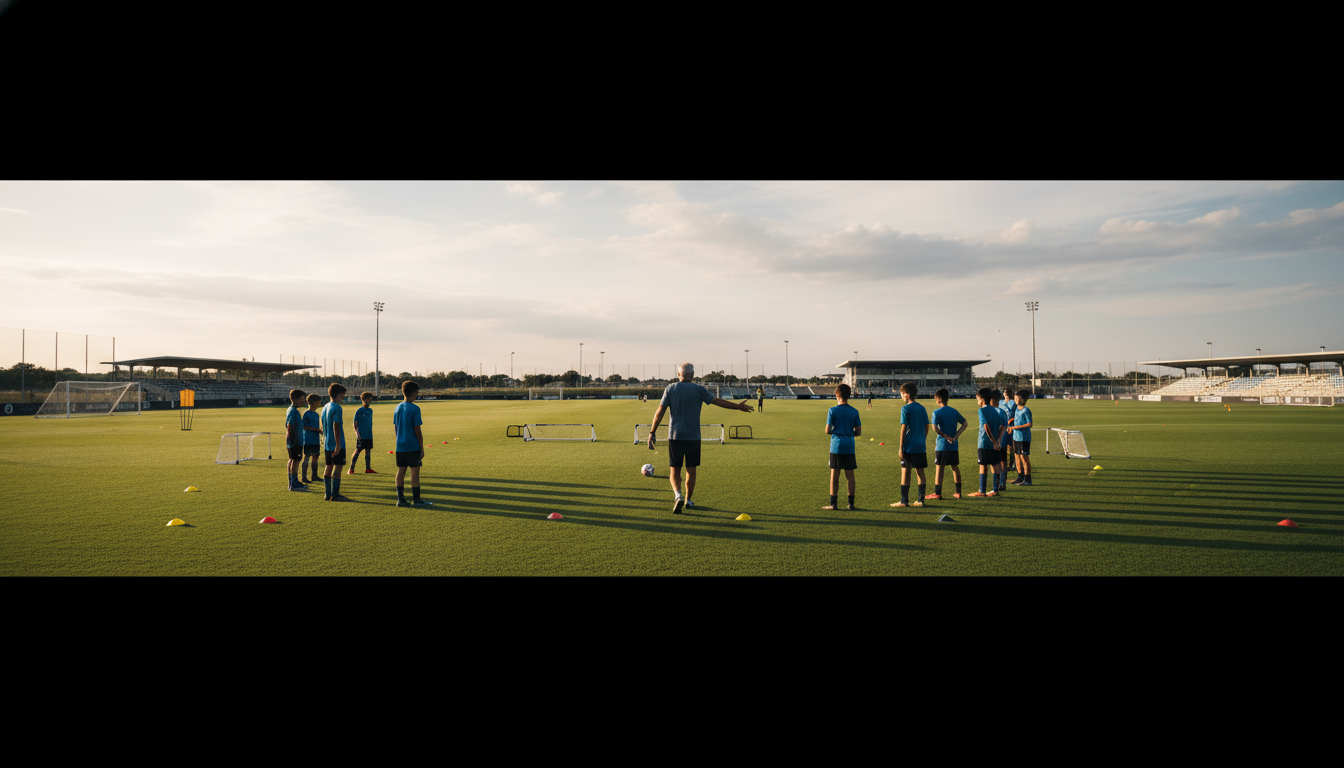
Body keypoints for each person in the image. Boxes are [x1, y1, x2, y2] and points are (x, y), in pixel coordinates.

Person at [648, 362, 753, 514]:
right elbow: (717, 401)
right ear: (693, 375)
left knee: (674, 470)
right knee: (691, 470)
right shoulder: (699, 390)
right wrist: (737, 406)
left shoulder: (670, 388)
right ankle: (688, 500)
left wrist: (652, 432)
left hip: (675, 437)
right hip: (693, 437)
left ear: (679, 374)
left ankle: (678, 495)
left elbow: (660, 411)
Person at [891, 382, 930, 508]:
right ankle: (920, 500)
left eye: (901, 394)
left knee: (905, 472)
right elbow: (926, 426)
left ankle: (904, 501)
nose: (901, 397)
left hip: (909, 446)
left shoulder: (905, 409)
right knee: (920, 472)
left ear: (906, 395)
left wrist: (901, 448)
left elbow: (903, 429)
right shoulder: (922, 408)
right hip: (920, 445)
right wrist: (922, 438)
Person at [393, 380, 430, 508]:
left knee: (401, 472)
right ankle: (417, 500)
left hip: (400, 446)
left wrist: (399, 440)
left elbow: (396, 428)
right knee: (415, 474)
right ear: (414, 393)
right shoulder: (415, 408)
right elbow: (417, 430)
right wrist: (421, 447)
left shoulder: (397, 407)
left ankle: (400, 499)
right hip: (412, 446)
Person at [824, 383, 861, 510]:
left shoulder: (832, 410)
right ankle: (851, 504)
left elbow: (827, 430)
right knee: (850, 476)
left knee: (835, 475)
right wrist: (849, 433)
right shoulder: (854, 411)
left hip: (836, 446)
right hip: (849, 446)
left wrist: (837, 431)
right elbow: (859, 432)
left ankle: (833, 504)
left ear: (837, 395)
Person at [929, 387, 968, 499]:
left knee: (939, 468)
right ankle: (958, 492)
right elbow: (965, 423)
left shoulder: (936, 412)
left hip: (942, 445)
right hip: (953, 445)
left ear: (938, 399)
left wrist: (946, 437)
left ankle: (937, 493)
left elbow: (935, 428)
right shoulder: (954, 411)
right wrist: (955, 436)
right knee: (954, 467)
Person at [970, 387, 1006, 497]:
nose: (977, 402)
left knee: (983, 465)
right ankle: (995, 490)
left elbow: (986, 427)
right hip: (995, 444)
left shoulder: (982, 410)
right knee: (995, 464)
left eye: (977, 399)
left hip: (984, 443)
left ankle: (982, 491)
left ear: (981, 399)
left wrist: (994, 441)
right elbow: (1003, 427)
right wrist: (998, 441)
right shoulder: (995, 411)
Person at [321, 383, 348, 502]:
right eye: (343, 394)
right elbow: (336, 426)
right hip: (336, 444)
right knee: (337, 468)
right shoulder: (337, 408)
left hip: (327, 443)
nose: (344, 397)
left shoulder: (325, 406)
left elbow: (323, 425)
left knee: (328, 467)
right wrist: (338, 445)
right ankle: (335, 495)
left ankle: (327, 494)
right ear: (340, 394)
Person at [284, 389, 308, 492]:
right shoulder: (293, 412)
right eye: (302, 399)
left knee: (292, 460)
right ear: (296, 399)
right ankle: (293, 484)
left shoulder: (291, 409)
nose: (304, 401)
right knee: (295, 460)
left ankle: (294, 481)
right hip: (295, 441)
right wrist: (293, 442)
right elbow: (290, 427)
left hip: (292, 441)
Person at [348, 391, 376, 474]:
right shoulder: (359, 410)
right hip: (361, 436)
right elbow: (354, 423)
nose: (369, 403)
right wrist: (357, 434)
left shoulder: (370, 410)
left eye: (370, 401)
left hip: (369, 435)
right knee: (358, 451)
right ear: (363, 400)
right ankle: (351, 469)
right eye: (367, 401)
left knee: (368, 451)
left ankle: (368, 469)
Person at [1010, 391, 1034, 485]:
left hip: (1024, 438)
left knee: (1024, 457)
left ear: (1023, 399)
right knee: (1017, 456)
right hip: (1016, 437)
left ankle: (1028, 479)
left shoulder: (1026, 410)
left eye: (1017, 398)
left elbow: (1029, 424)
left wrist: (1014, 427)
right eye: (1015, 398)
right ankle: (1020, 476)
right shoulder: (1016, 409)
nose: (1015, 400)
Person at [301, 393, 323, 484]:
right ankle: (304, 477)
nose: (319, 404)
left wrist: (320, 430)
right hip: (308, 439)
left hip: (315, 439)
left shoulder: (316, 414)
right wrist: (316, 429)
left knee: (315, 457)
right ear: (314, 402)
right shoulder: (307, 414)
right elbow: (304, 427)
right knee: (307, 457)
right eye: (318, 402)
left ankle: (314, 476)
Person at [1001, 387, 1017, 480]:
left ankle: (1012, 464)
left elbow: (1016, 414)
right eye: (1004, 391)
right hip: (1002, 427)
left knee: (1011, 446)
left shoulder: (1013, 403)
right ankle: (1005, 464)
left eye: (1007, 392)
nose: (1006, 393)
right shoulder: (1000, 402)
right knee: (1004, 446)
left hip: (1011, 427)